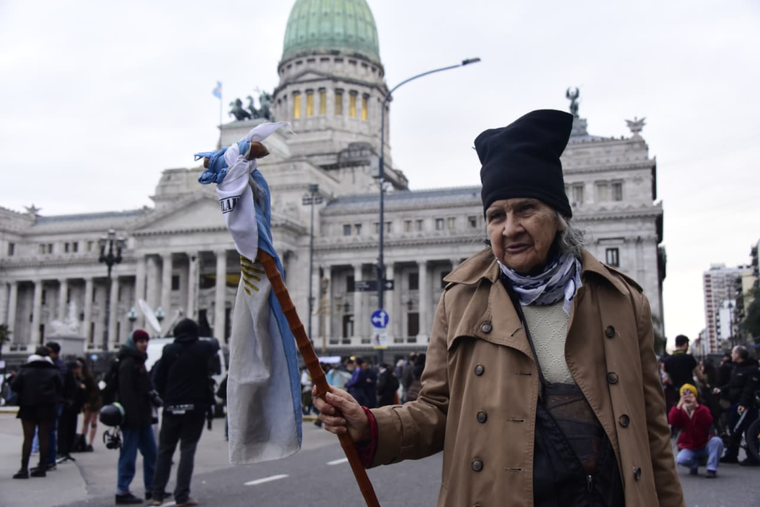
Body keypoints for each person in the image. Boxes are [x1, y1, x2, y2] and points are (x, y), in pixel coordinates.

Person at [315, 109, 685, 506]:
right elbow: (439, 410)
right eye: (496, 215)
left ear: (559, 217)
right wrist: (371, 425)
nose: (510, 228)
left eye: (526, 209)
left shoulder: (623, 302)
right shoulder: (460, 301)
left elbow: (651, 434)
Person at [149, 318, 220, 507]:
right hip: (194, 407)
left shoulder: (169, 350)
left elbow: (158, 377)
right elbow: (215, 344)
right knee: (187, 451)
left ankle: (156, 495)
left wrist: (166, 397)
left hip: (172, 407)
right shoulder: (202, 349)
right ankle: (182, 495)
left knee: (165, 451)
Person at [115, 329, 158, 505]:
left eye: (146, 341)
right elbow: (126, 393)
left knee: (152, 453)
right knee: (129, 454)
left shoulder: (139, 362)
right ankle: (122, 490)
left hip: (143, 416)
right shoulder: (128, 363)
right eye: (140, 341)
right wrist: (132, 418)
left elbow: (143, 389)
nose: (144, 344)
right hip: (132, 419)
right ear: (134, 343)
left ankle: (151, 487)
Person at [10, 346, 62, 479]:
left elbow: (15, 386)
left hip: (28, 405)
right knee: (43, 436)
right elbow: (62, 387)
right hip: (47, 406)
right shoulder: (53, 371)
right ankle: (42, 467)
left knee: (28, 437)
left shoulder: (25, 370)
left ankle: (23, 468)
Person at [714, 345, 760, 466]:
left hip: (747, 405)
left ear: (738, 355)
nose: (731, 354)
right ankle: (731, 454)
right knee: (734, 428)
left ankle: (753, 456)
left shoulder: (752, 369)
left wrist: (744, 404)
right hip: (735, 403)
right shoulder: (737, 368)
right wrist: (720, 389)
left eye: (733, 352)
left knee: (749, 429)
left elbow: (749, 389)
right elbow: (733, 384)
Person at [668, 383, 723, 478]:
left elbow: (708, 422)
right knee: (680, 459)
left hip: (705, 443)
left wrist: (696, 407)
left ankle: (711, 469)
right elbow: (673, 421)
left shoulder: (702, 409)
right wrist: (680, 404)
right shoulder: (680, 410)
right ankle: (694, 465)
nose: (687, 397)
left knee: (717, 441)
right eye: (684, 395)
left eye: (690, 394)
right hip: (689, 446)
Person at [79, 357, 103, 451]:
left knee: (92, 421)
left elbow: (95, 390)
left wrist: (89, 402)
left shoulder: (88, 377)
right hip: (87, 401)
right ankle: (83, 441)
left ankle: (90, 443)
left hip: (93, 402)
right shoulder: (81, 376)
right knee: (86, 422)